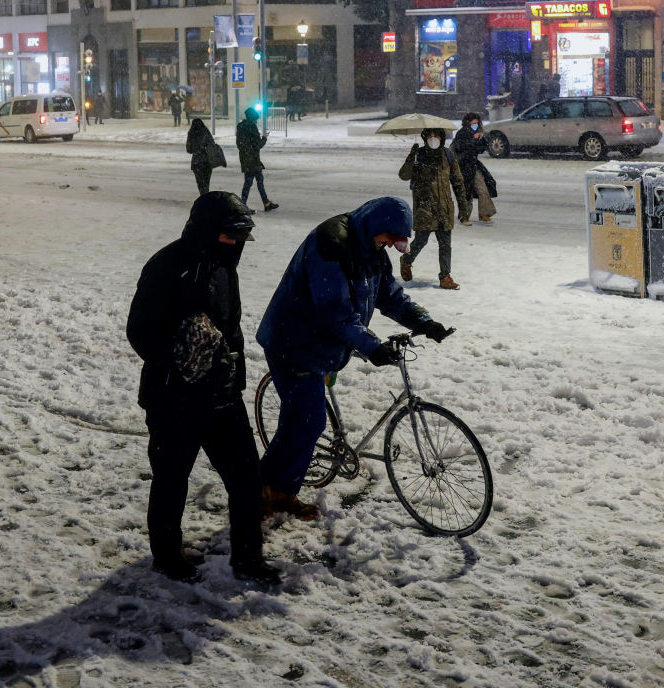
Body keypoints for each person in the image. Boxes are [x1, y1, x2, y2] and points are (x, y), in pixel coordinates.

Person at [255, 197, 451, 519]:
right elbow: (335, 312)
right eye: (388, 239)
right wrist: (373, 347)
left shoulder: (372, 249)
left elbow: (389, 295)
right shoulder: (332, 245)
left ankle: (280, 491)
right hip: (293, 341)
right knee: (308, 421)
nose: (389, 246)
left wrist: (423, 322)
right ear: (376, 226)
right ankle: (260, 492)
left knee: (300, 421)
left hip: (321, 345)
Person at [126, 192, 281, 589]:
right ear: (207, 231)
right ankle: (167, 557)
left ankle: (248, 558)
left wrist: (232, 375)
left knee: (246, 478)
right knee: (171, 479)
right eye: (230, 236)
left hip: (221, 396)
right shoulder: (167, 266)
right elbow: (140, 331)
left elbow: (230, 330)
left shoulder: (224, 267)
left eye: (241, 238)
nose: (237, 245)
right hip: (173, 398)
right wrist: (182, 358)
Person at [397, 129, 472, 290]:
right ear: (425, 138)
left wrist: (463, 207)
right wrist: (411, 157)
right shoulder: (419, 155)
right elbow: (403, 175)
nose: (433, 138)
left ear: (441, 138)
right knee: (421, 240)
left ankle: (445, 276)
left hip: (444, 208)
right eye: (430, 135)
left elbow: (458, 182)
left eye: (436, 135)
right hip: (425, 208)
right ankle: (407, 260)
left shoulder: (448, 155)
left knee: (445, 244)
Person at [451, 113, 498, 224]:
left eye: (477, 123)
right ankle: (464, 216)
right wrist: (473, 139)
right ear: (468, 122)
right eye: (474, 122)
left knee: (483, 188)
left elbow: (481, 149)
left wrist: (480, 139)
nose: (476, 125)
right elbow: (461, 147)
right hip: (463, 166)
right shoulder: (462, 133)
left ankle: (485, 213)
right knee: (466, 192)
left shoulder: (476, 133)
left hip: (474, 165)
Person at [236, 106, 278, 212]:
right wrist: (264, 138)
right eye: (256, 119)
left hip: (246, 158)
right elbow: (258, 145)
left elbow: (239, 144)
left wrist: (246, 152)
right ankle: (243, 205)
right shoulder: (252, 127)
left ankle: (266, 203)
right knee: (251, 182)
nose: (256, 121)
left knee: (256, 181)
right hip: (253, 160)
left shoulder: (240, 128)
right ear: (253, 118)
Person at [185, 118, 225, 196]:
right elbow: (212, 144)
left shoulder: (192, 134)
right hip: (207, 162)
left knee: (200, 185)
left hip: (197, 163)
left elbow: (188, 149)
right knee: (206, 184)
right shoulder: (206, 132)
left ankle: (203, 198)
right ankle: (205, 198)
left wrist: (196, 149)